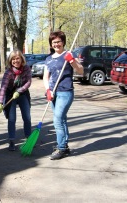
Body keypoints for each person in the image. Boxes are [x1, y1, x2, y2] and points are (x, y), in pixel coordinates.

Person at [43, 30, 83, 160]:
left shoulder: (69, 54)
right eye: (54, 42)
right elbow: (45, 76)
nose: (56, 44)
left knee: (57, 119)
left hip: (65, 92)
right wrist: (47, 90)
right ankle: (64, 146)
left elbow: (81, 71)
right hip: (53, 93)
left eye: (59, 41)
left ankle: (60, 148)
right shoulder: (48, 59)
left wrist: (72, 61)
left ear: (63, 42)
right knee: (62, 119)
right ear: (51, 44)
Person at [0, 50, 32, 151]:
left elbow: (28, 82)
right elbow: (3, 87)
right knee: (12, 119)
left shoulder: (26, 68)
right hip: (10, 95)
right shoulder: (8, 72)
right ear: (10, 61)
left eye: (17, 58)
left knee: (27, 117)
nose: (16, 61)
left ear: (21, 59)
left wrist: (19, 91)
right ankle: (11, 141)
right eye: (13, 59)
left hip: (23, 93)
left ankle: (28, 139)